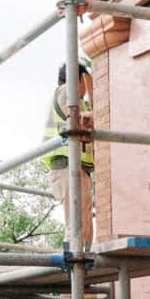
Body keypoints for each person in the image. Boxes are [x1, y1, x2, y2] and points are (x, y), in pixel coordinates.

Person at [42, 54, 95, 240]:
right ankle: (77, 263)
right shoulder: (66, 91)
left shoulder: (81, 101)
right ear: (80, 78)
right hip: (67, 166)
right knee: (77, 224)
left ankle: (84, 262)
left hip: (76, 167)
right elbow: (73, 117)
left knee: (83, 220)